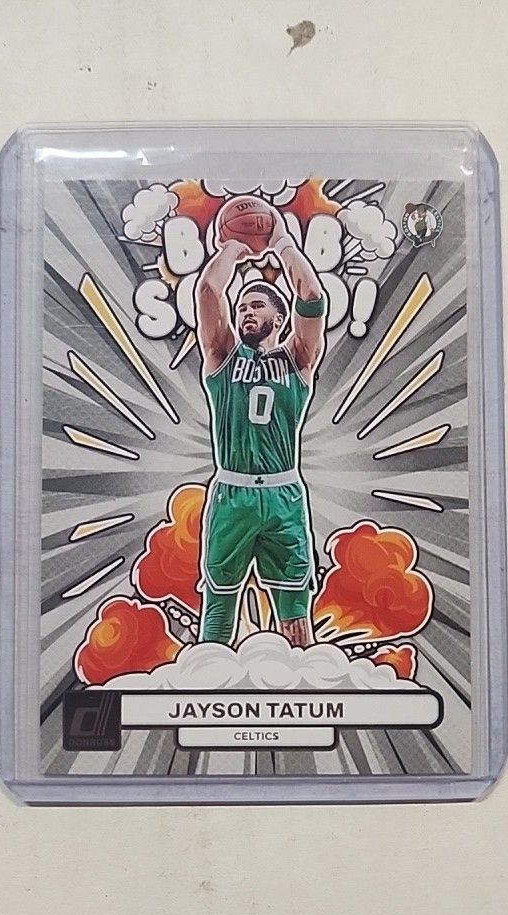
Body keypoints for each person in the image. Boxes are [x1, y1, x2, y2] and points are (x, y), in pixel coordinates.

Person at [194, 208, 327, 647]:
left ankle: (303, 685)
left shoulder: (298, 359)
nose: (246, 312)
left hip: (283, 493)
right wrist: (235, 245)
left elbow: (312, 294)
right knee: (219, 607)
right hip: (232, 493)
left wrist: (281, 242)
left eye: (256, 305)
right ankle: (209, 680)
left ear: (280, 317)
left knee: (295, 616)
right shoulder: (222, 355)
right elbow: (209, 290)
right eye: (242, 307)